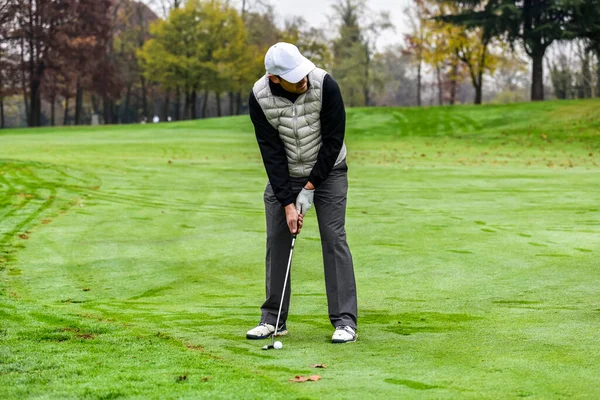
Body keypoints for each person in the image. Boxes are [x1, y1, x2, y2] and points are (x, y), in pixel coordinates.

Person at [246, 42, 358, 344]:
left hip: (329, 170)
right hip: (286, 174)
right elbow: (271, 153)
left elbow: (334, 140)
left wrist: (310, 187)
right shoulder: (260, 97)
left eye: (303, 72)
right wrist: (287, 203)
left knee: (334, 237)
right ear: (275, 79)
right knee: (277, 238)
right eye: (295, 77)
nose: (303, 79)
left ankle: (345, 322)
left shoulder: (325, 85)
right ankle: (273, 320)